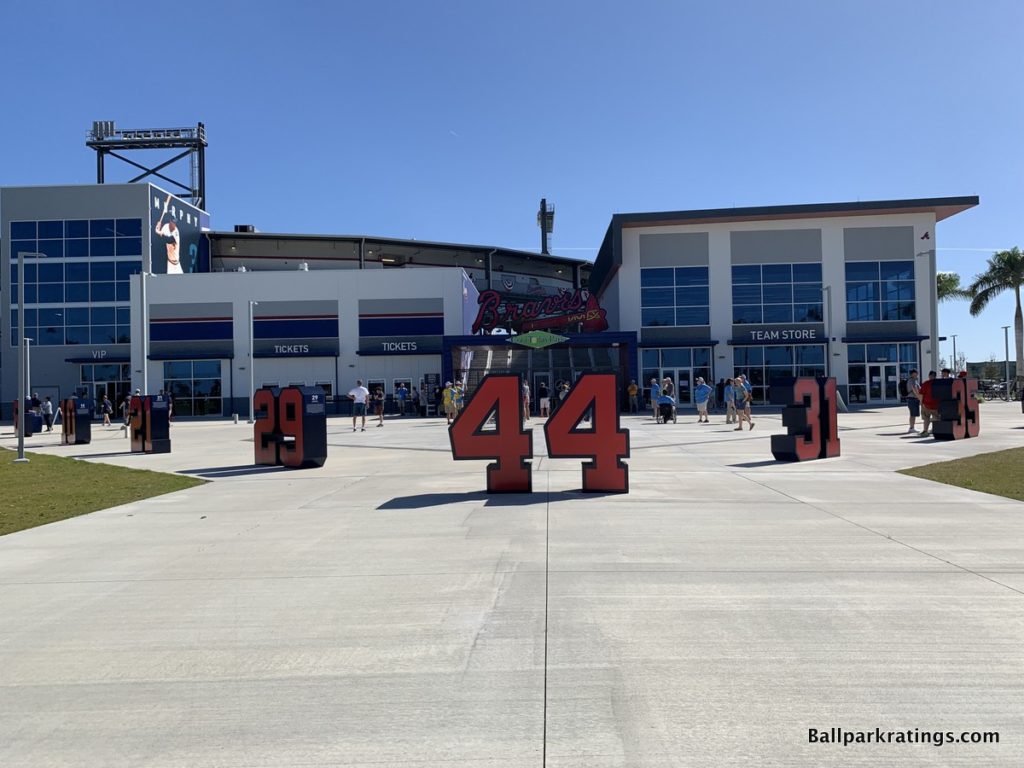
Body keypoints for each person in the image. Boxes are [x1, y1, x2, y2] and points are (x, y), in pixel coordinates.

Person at [154, 192, 183, 274]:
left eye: (175, 223)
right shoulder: (166, 226)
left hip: (176, 263)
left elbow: (169, 239)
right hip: (169, 262)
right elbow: (160, 237)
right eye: (173, 222)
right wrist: (158, 228)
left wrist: (158, 231)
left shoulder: (176, 232)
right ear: (170, 221)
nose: (174, 224)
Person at [919, 370, 939, 437]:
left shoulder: (925, 384)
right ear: (935, 376)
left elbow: (921, 394)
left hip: (926, 404)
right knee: (936, 417)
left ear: (929, 376)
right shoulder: (939, 383)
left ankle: (925, 431)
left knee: (926, 418)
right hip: (936, 404)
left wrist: (921, 402)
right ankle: (935, 430)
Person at [905, 369, 921, 433]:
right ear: (912, 374)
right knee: (912, 414)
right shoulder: (912, 380)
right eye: (916, 373)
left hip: (913, 399)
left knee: (913, 414)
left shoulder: (915, 380)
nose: (917, 374)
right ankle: (911, 428)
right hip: (912, 399)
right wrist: (919, 397)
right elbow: (914, 390)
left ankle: (912, 427)